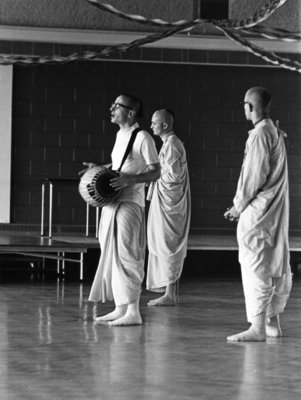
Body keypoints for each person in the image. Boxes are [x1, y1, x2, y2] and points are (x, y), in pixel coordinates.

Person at [82, 94, 160, 326]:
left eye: (117, 106)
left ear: (131, 112)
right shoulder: (120, 135)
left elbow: (156, 172)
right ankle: (120, 307)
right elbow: (120, 167)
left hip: (130, 204)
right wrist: (100, 168)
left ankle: (133, 311)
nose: (111, 108)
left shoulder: (143, 137)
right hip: (112, 202)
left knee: (127, 255)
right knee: (111, 253)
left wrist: (130, 181)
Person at [224, 87, 292, 342]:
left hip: (259, 210)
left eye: (244, 104)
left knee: (256, 264)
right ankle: (271, 322)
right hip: (271, 211)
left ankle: (258, 327)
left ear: (250, 107)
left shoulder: (262, 134)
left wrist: (237, 206)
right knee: (268, 261)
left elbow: (254, 176)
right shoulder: (272, 131)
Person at [146, 109, 191, 306]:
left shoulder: (172, 144)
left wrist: (152, 176)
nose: (151, 125)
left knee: (168, 243)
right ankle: (170, 291)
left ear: (165, 125)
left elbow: (173, 178)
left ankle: (170, 294)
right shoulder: (168, 144)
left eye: (154, 122)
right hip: (166, 201)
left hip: (170, 204)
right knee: (165, 242)